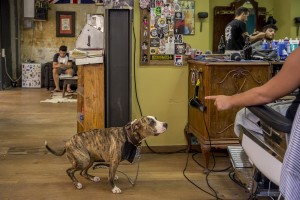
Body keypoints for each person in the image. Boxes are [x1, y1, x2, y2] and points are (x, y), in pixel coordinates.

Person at [205, 47, 300, 199]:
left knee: (244, 116)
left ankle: (282, 175)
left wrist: (229, 100)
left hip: (293, 129)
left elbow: (264, 94)